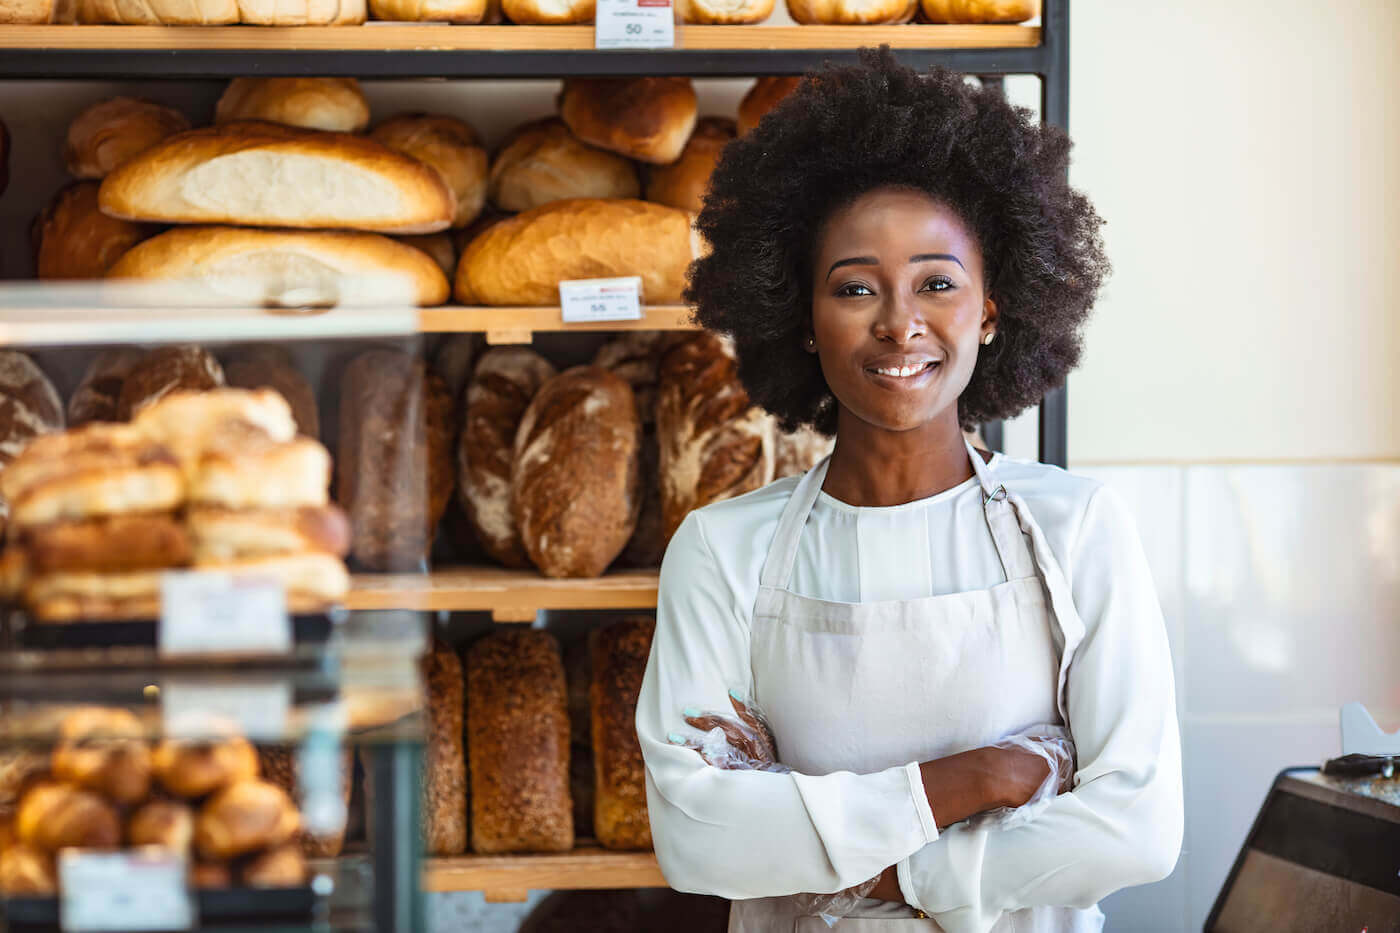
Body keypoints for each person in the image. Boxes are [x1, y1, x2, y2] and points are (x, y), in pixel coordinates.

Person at [635, 48, 1184, 932]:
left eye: (937, 281)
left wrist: (887, 870)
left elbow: (1137, 829)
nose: (899, 321)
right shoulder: (721, 548)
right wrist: (983, 779)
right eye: (855, 287)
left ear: (993, 309)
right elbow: (700, 836)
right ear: (803, 319)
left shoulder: (1076, 528)